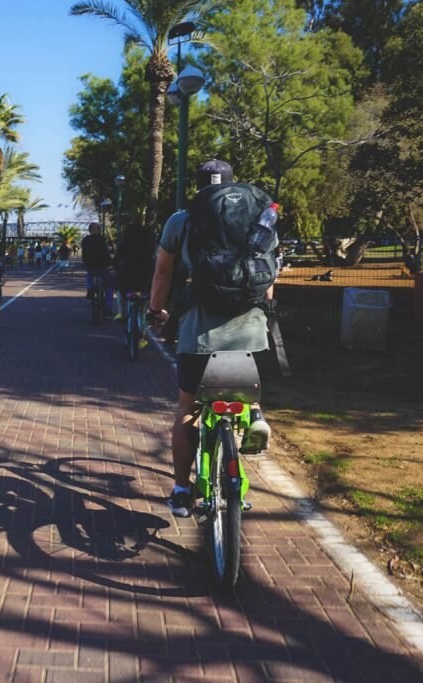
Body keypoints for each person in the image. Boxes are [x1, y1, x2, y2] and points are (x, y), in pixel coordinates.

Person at [147, 159, 273, 518]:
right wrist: (265, 308)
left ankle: (182, 489)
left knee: (187, 410)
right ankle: (255, 415)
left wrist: (156, 309)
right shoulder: (257, 217)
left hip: (199, 336)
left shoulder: (181, 220)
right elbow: (266, 269)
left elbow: (163, 269)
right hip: (250, 331)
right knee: (243, 391)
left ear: (199, 186)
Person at [113, 222, 156, 323]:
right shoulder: (147, 247)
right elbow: (151, 263)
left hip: (126, 280)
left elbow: (116, 260)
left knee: (120, 291)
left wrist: (116, 268)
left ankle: (121, 313)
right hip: (144, 281)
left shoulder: (124, 245)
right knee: (144, 300)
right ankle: (144, 322)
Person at [81, 221, 115, 317]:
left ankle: (90, 290)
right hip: (103, 266)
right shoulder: (102, 239)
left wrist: (85, 263)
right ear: (97, 230)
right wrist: (110, 264)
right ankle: (108, 307)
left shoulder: (85, 240)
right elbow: (106, 253)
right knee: (110, 285)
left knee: (89, 275)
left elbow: (84, 254)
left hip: (90, 266)